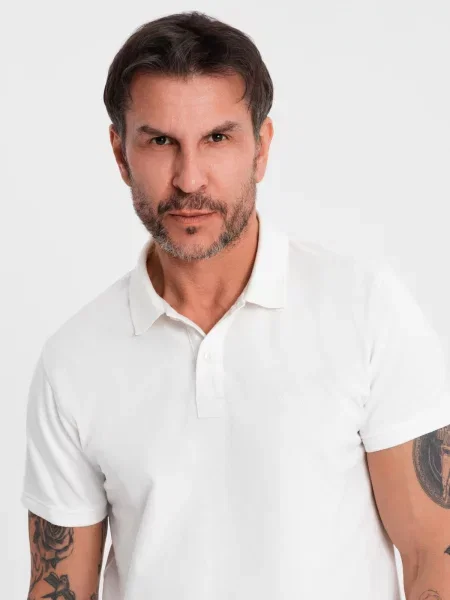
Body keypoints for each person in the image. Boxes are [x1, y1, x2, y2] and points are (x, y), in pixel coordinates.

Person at [21, 10, 450, 600]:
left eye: (217, 139)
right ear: (121, 154)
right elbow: (58, 587)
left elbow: (435, 551)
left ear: (261, 148)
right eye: (160, 141)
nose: (189, 179)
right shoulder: (73, 361)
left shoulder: (364, 309)